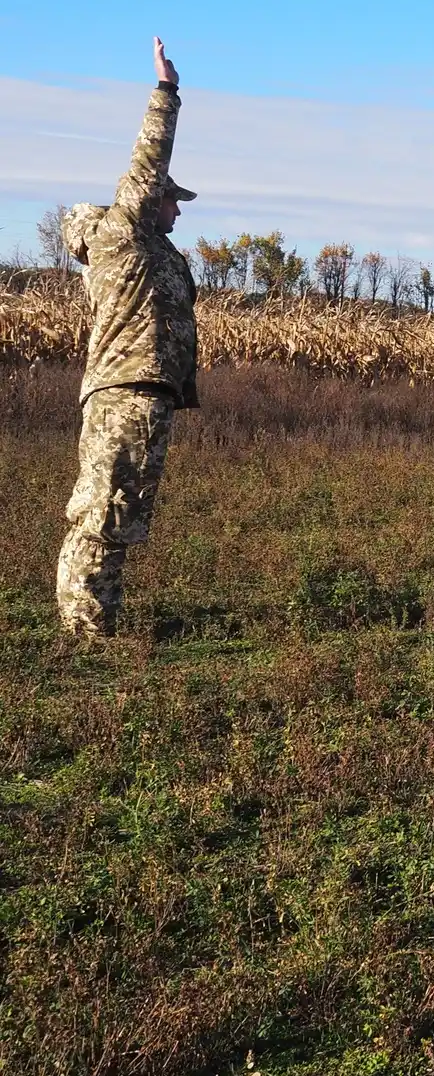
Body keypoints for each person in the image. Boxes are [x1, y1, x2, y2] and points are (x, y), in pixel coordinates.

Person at [54, 38, 200, 639]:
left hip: (148, 394)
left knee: (124, 508)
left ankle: (97, 614)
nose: (176, 209)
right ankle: (86, 627)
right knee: (106, 507)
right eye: (171, 198)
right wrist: (165, 93)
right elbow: (144, 167)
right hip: (126, 394)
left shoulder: (147, 252)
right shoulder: (121, 238)